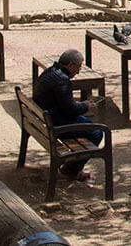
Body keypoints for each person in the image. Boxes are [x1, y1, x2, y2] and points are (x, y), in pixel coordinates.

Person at [33, 49, 103, 185]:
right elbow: (69, 110)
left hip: (46, 120)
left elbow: (64, 104)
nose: (78, 72)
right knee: (97, 132)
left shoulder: (50, 72)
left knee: (88, 124)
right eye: (78, 68)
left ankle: (72, 167)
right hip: (57, 124)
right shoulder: (62, 80)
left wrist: (78, 104)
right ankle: (71, 169)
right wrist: (86, 106)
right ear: (70, 65)